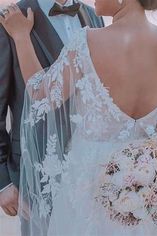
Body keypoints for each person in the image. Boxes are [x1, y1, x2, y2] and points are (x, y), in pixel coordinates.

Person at [0, 0, 157, 236]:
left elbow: (39, 94)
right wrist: (140, 172)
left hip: (86, 188)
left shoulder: (87, 41)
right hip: (147, 189)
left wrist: (21, 37)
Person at [0, 0, 104, 219]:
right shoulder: (8, 19)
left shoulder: (94, 15)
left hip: (93, 167)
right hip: (37, 170)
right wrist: (2, 181)